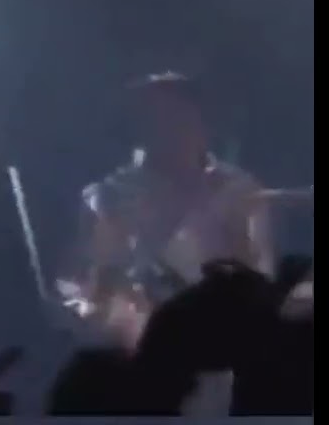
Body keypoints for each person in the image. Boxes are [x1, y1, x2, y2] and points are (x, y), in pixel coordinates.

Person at [60, 72, 274, 351]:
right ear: (138, 128)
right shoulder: (106, 198)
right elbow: (88, 287)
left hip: (229, 347)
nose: (173, 129)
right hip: (147, 352)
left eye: (182, 116)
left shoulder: (239, 190)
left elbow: (263, 280)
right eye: (158, 118)